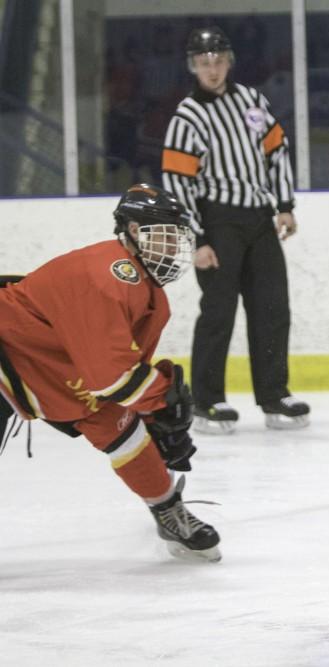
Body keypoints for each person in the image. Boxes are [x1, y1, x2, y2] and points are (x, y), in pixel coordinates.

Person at [0, 184, 221, 563]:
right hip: (10, 349)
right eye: (166, 236)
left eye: (177, 238)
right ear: (134, 231)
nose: (173, 248)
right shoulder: (110, 276)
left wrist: (152, 412)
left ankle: (168, 512)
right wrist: (163, 399)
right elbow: (113, 378)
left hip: (49, 363)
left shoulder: (149, 294)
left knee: (124, 429)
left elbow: (121, 382)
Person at [161, 26, 309, 434]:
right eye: (204, 63)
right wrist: (197, 239)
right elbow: (177, 183)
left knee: (272, 307)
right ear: (193, 65)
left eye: (219, 61)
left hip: (259, 220)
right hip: (216, 221)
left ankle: (274, 394)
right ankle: (207, 401)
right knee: (219, 312)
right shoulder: (187, 116)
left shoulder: (251, 101)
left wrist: (284, 205)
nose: (212, 69)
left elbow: (276, 151)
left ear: (229, 62)